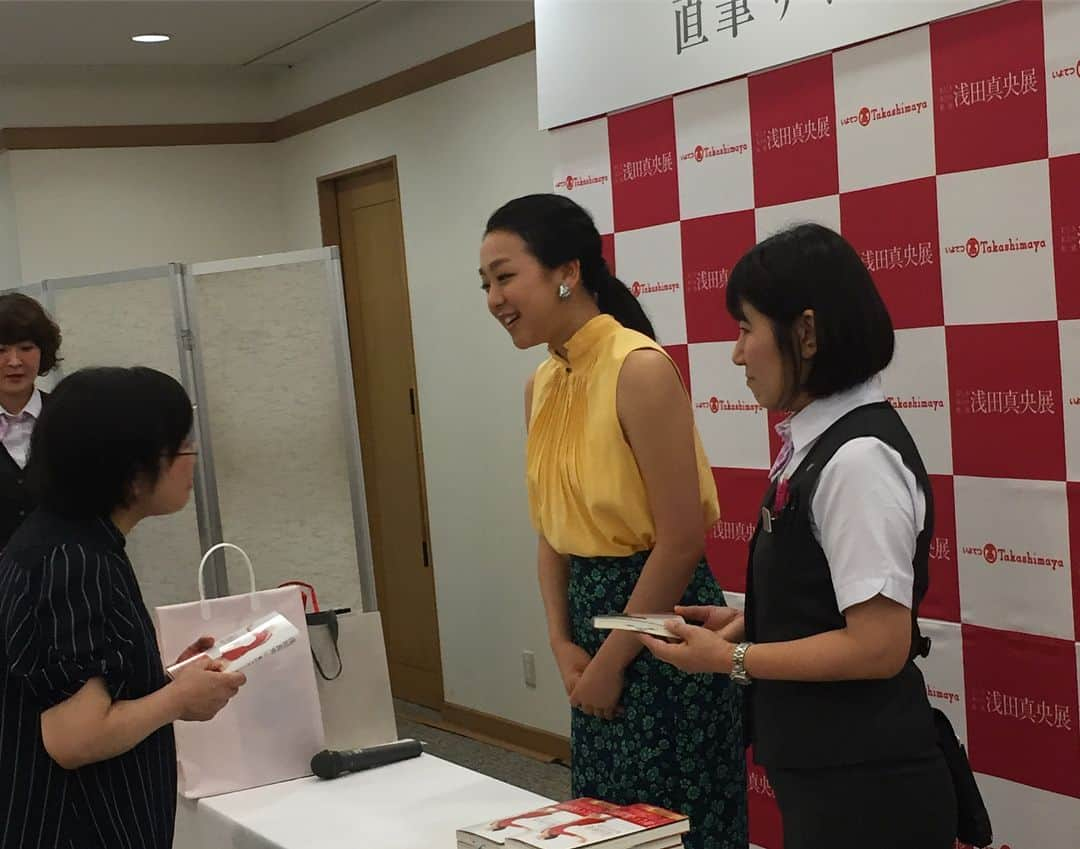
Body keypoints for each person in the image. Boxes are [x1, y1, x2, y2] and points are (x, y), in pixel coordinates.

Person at [642, 224, 957, 849]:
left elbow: (878, 646)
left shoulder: (858, 458)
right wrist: (748, 621)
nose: (735, 354)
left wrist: (730, 658)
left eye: (745, 328)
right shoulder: (816, 445)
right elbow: (825, 600)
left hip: (869, 791)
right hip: (831, 772)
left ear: (805, 333)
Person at [480, 194, 747, 849]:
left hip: (663, 631)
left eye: (506, 275)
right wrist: (562, 641)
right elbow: (551, 528)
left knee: (679, 826)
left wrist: (610, 659)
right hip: (590, 624)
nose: (494, 297)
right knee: (601, 827)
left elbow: (681, 539)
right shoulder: (541, 383)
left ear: (566, 270)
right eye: (485, 283)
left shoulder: (640, 367)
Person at [0, 366, 246, 849]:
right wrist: (178, 699)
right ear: (132, 473)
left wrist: (162, 678)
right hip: (75, 825)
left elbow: (65, 686)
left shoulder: (64, 541)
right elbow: (76, 739)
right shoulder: (74, 561)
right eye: (181, 446)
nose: (192, 459)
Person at [0, 293, 63, 548]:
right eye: (0, 350)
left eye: (26, 348)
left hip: (63, 573)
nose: (14, 361)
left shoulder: (69, 419)